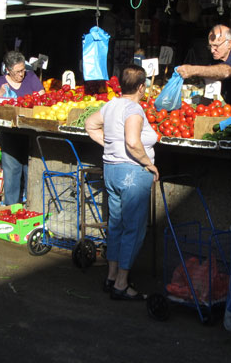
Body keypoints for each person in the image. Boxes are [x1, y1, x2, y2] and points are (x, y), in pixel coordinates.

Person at [85, 64, 159, 301]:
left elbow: (90, 125)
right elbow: (133, 143)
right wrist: (149, 164)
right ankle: (121, 283)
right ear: (141, 87)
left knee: (116, 224)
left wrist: (109, 145)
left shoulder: (111, 105)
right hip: (132, 174)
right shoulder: (133, 109)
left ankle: (111, 275)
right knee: (133, 229)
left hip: (112, 171)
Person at [0, 51, 44, 205]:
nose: (21, 74)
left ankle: (31, 203)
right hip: (9, 132)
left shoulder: (31, 77)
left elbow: (42, 96)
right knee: (11, 169)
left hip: (30, 131)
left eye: (23, 70)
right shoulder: (0, 81)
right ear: (8, 70)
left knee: (30, 167)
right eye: (17, 72)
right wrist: (0, 93)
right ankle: (12, 205)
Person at [176, 25, 231, 110]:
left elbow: (226, 71)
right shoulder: (215, 61)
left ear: (229, 43)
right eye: (210, 46)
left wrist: (193, 70)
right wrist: (199, 111)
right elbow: (210, 91)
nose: (212, 50)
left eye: (216, 46)